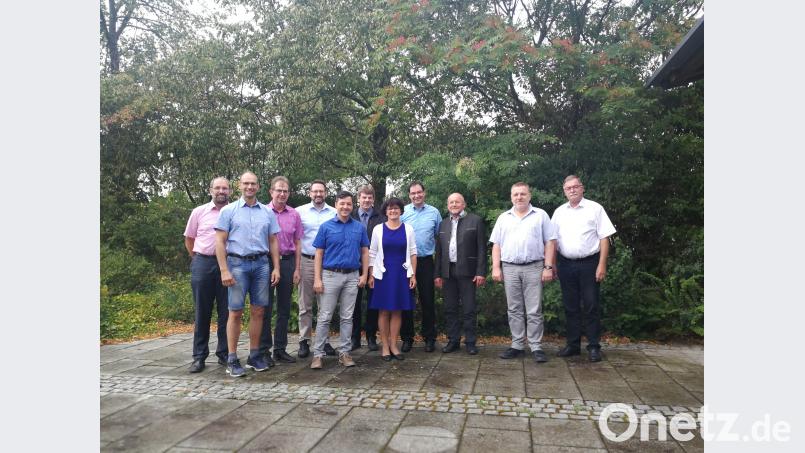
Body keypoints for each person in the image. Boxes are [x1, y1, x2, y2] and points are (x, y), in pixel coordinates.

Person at [214, 171, 281, 377]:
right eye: (246, 183)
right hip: (237, 264)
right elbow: (220, 242)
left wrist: (276, 267)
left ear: (258, 187)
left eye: (253, 184)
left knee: (259, 311)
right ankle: (232, 358)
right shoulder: (228, 211)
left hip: (261, 264)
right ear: (239, 185)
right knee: (235, 311)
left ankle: (254, 355)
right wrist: (224, 269)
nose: (250, 187)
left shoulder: (267, 212)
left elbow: (272, 241)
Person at [490, 182, 557, 364]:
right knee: (514, 309)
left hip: (534, 266)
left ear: (529, 195)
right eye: (515, 194)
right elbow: (496, 244)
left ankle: (536, 346)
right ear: (511, 197)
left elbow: (550, 242)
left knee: (534, 309)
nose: (519, 197)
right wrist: (496, 267)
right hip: (510, 267)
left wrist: (548, 267)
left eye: (522, 194)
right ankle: (517, 345)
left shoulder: (540, 215)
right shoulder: (504, 218)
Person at [551, 175, 616, 363]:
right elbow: (553, 241)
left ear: (582, 188)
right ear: (564, 191)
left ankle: (594, 347)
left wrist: (602, 264)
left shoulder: (595, 209)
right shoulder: (559, 212)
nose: (572, 190)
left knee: (591, 305)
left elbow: (604, 238)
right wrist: (553, 265)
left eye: (575, 187)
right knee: (570, 306)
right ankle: (573, 345)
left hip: (590, 264)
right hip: (565, 264)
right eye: (568, 188)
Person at [310, 191, 369, 369]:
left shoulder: (359, 227)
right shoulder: (326, 227)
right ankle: (318, 355)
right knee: (325, 317)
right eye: (342, 203)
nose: (345, 207)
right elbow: (318, 253)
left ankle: (344, 353)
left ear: (353, 206)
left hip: (352, 276)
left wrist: (364, 274)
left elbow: (365, 252)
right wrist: (317, 279)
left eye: (349, 204)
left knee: (347, 317)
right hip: (330, 275)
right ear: (336, 204)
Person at [183, 177, 231, 373]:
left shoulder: (234, 211)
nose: (221, 191)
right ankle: (199, 356)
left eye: (225, 188)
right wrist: (197, 259)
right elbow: (189, 238)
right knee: (202, 312)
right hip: (203, 263)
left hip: (229, 265)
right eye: (218, 188)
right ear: (210, 190)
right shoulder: (199, 212)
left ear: (230, 191)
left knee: (226, 312)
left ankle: (224, 353)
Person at [434, 193, 487, 355]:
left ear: (464, 204)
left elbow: (481, 249)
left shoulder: (475, 221)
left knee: (469, 308)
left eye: (457, 202)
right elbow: (439, 251)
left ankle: (470, 342)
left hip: (468, 272)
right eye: (451, 202)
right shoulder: (443, 224)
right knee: (450, 308)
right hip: (447, 272)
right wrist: (437, 274)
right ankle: (453, 340)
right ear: (447, 205)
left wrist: (480, 272)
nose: (454, 204)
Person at [258, 176, 302, 365]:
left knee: (284, 308)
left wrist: (297, 268)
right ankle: (264, 349)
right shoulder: (262, 212)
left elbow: (298, 242)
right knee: (265, 308)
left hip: (287, 262)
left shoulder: (294, 214)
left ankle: (280, 349)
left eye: (285, 191)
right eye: (279, 190)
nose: (282, 194)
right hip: (265, 263)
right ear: (271, 192)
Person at [368, 198, 417, 361]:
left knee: (397, 311)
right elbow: (372, 253)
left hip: (401, 274)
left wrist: (413, 275)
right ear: (385, 211)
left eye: (396, 208)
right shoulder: (378, 229)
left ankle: (394, 345)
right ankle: (385, 347)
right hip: (383, 274)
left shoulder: (408, 229)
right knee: (383, 311)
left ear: (401, 211)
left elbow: (413, 253)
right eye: (390, 209)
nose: (393, 211)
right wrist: (371, 275)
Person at [297, 180, 337, 358]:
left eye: (321, 191)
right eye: (315, 191)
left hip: (328, 263)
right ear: (310, 193)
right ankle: (304, 341)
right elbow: (296, 239)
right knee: (305, 304)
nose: (318, 194)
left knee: (325, 305)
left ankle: (324, 341)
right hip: (307, 261)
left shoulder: (334, 213)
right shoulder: (300, 212)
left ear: (326, 193)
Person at [399, 181, 441, 352]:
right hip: (404, 262)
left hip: (425, 262)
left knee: (427, 301)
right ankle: (407, 337)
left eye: (419, 192)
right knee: (406, 301)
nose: (416, 195)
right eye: (413, 193)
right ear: (409, 195)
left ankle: (429, 337)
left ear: (424, 193)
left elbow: (439, 237)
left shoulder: (434, 212)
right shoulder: (403, 212)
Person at [350, 185, 385, 351]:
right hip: (353, 264)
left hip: (374, 265)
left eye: (369, 197)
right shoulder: (351, 215)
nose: (366, 200)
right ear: (358, 198)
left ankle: (371, 336)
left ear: (373, 199)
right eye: (363, 197)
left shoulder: (381, 217)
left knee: (373, 302)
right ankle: (354, 338)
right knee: (353, 303)